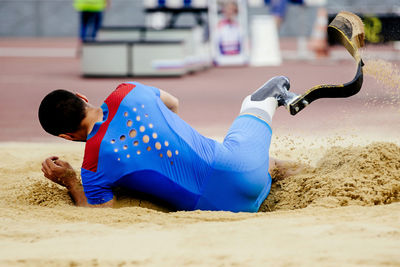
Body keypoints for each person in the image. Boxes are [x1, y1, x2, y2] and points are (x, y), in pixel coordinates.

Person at [39, 77, 299, 212]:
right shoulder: (127, 91)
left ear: (67, 137)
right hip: (241, 167)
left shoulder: (93, 167)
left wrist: (71, 180)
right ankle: (271, 98)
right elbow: (173, 102)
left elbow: (99, 214)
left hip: (222, 208)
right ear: (81, 97)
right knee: (262, 145)